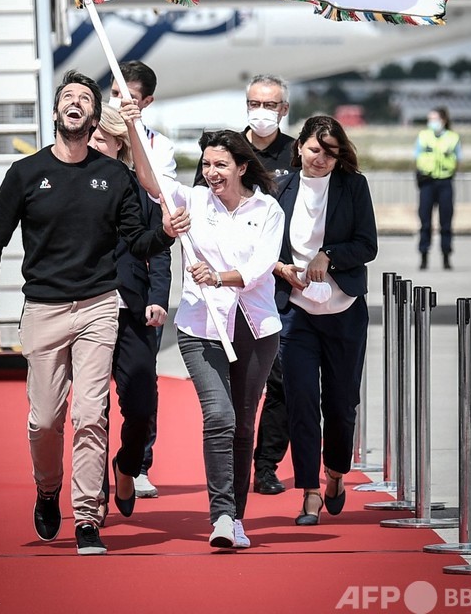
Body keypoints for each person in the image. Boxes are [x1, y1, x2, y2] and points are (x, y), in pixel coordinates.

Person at [0, 70, 188, 556]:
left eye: (84, 99)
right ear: (57, 112)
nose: (75, 102)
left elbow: (138, 242)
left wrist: (166, 234)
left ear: (93, 117)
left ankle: (88, 516)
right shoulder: (25, 173)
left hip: (98, 307)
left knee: (91, 414)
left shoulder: (114, 176)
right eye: (67, 96)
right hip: (43, 309)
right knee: (45, 420)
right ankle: (48, 488)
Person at [123, 100, 285, 549]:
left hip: (255, 328)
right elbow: (149, 179)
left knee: (243, 425)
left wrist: (219, 276)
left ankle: (237, 518)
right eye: (207, 164)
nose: (211, 172)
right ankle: (222, 516)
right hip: (201, 327)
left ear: (242, 167)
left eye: (221, 165)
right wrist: (134, 124)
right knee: (219, 415)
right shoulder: (192, 201)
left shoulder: (268, 209)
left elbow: (260, 267)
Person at [273, 115, 377, 526]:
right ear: (299, 146)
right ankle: (309, 492)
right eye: (315, 149)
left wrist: (328, 255)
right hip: (296, 314)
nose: (321, 158)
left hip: (344, 311)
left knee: (341, 403)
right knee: (300, 402)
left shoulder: (354, 186)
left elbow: (367, 245)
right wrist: (280, 268)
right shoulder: (279, 187)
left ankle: (335, 472)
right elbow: (264, 245)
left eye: (330, 153)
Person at [194, 74, 294, 496]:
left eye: (270, 104)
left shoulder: (296, 153)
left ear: (284, 109)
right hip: (234, 291)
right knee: (229, 409)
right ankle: (235, 489)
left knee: (281, 386)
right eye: (255, 103)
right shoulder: (224, 152)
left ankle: (265, 464)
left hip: (282, 286)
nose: (262, 111)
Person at [89, 106, 172, 524]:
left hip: (133, 310)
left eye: (100, 138)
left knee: (140, 404)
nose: (92, 143)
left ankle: (127, 465)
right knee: (92, 411)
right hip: (86, 309)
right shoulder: (73, 183)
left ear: (119, 144)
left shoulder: (143, 188)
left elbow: (159, 250)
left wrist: (158, 297)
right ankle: (93, 494)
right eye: (90, 136)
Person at [108, 59, 176, 498]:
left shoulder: (157, 150)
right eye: (115, 93)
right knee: (91, 398)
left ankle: (137, 463)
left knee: (140, 388)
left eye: (129, 97)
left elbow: (158, 227)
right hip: (90, 298)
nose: (120, 102)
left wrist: (158, 295)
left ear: (146, 102)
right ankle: (93, 480)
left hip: (136, 294)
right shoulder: (84, 143)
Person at [415, 106, 462, 270]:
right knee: (425, 222)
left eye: (434, 119)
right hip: (427, 182)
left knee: (446, 222)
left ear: (443, 120)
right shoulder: (423, 136)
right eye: (430, 119)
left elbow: (458, 159)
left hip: (445, 182)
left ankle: (446, 256)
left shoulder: (453, 138)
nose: (431, 122)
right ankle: (424, 256)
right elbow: (417, 156)